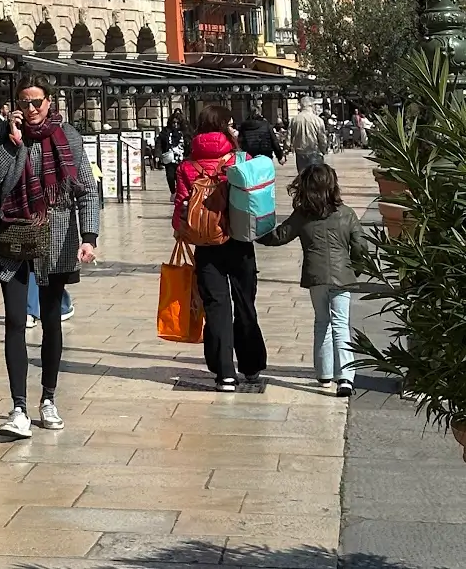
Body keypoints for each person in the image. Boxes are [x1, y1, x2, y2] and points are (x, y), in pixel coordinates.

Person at [0, 73, 99, 437]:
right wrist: (10, 143)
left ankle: (48, 398)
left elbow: (86, 190)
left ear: (50, 102)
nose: (31, 110)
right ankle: (18, 407)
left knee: (50, 319)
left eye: (37, 102)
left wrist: (89, 236)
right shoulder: (6, 137)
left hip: (59, 232)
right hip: (14, 233)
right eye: (24, 103)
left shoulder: (69, 137)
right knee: (16, 319)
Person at [173, 103, 267, 393]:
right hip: (239, 241)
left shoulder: (188, 166)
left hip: (206, 245)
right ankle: (250, 367)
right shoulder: (241, 159)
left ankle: (224, 372)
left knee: (216, 307)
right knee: (245, 303)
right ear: (225, 126)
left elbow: (180, 211)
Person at [260, 163, 366, 397]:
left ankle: (324, 373)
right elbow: (360, 246)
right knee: (341, 325)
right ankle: (346, 378)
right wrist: (354, 270)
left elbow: (280, 236)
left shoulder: (303, 215)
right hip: (342, 278)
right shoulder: (346, 213)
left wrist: (255, 233)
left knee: (322, 322)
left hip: (315, 277)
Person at [288, 100, 329, 174]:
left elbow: (289, 136)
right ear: (311, 106)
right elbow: (322, 138)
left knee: (302, 175)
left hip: (300, 152)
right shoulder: (318, 120)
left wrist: (285, 150)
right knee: (315, 176)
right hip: (314, 151)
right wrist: (323, 149)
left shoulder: (294, 120)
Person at [157, 111, 187, 197]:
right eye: (174, 122)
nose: (176, 125)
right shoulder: (166, 132)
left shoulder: (185, 132)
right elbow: (159, 142)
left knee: (180, 177)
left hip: (182, 159)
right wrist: (157, 154)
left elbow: (190, 143)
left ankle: (180, 193)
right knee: (170, 176)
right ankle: (173, 192)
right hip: (169, 158)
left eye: (178, 123)